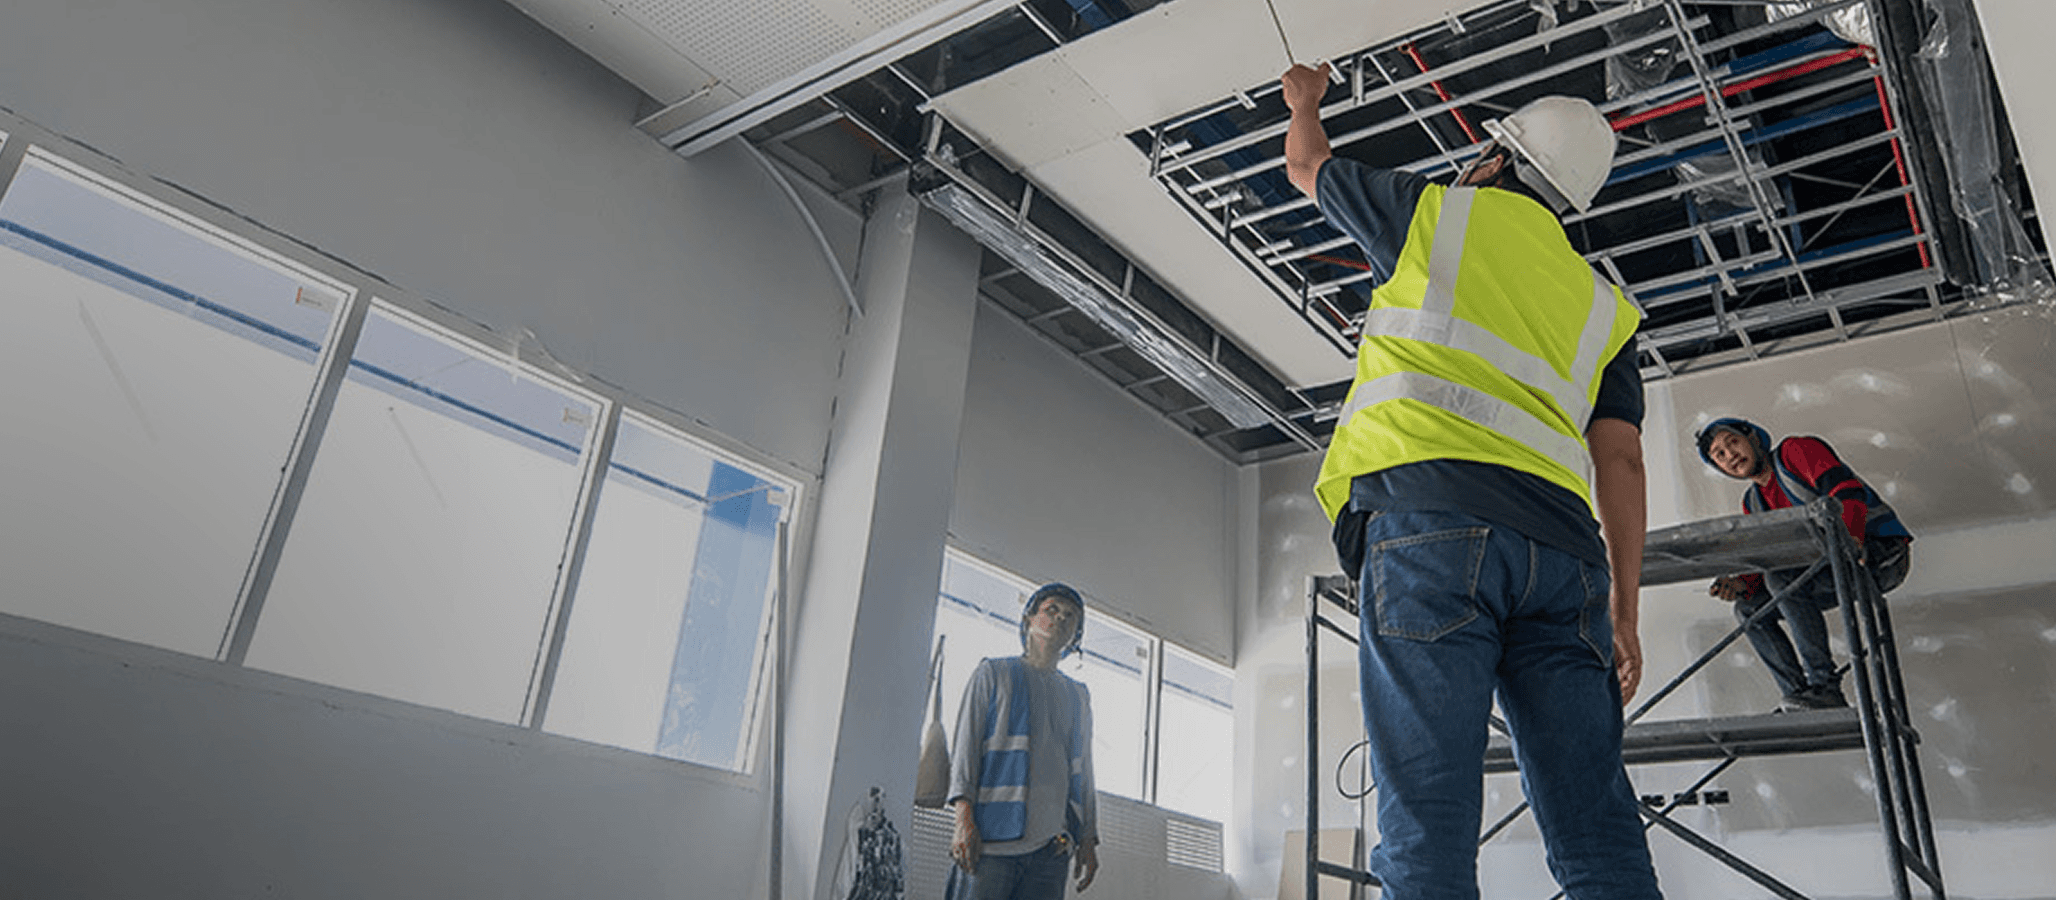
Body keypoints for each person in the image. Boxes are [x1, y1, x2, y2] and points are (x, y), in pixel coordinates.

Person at [1284, 61, 1662, 900]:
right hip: (1566, 565)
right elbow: (1623, 461)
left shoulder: (1435, 215)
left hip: (1429, 531)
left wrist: (1306, 100)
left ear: (1495, 160)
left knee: (1428, 822)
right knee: (1596, 827)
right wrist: (1625, 612)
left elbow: (1307, 164)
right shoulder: (1604, 306)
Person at [1697, 417, 1914, 711]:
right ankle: (1800, 696)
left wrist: (1852, 539)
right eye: (1719, 455)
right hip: (1832, 570)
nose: (1730, 455)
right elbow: (1771, 561)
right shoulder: (1754, 502)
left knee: (1781, 580)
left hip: (1881, 555)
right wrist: (1742, 585)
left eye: (1732, 442)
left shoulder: (1794, 453)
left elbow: (1846, 492)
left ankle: (1824, 686)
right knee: (1749, 609)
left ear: (1754, 438)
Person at [945, 583, 1100, 900]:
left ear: (1076, 635)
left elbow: (1085, 771)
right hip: (990, 841)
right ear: (1029, 618)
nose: (1060, 619)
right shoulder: (993, 673)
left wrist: (1087, 838)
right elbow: (966, 748)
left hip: (1052, 851)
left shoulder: (1078, 696)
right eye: (1051, 610)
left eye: (1070, 617)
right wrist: (963, 819)